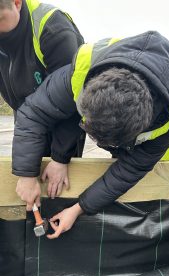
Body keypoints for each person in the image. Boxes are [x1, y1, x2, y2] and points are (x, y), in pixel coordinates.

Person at [12, 31, 169, 238]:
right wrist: (28, 175)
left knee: (149, 194)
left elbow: (130, 169)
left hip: (154, 151)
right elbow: (33, 113)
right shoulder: (84, 66)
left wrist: (79, 208)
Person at [0, 0, 85, 206]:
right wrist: (26, 171)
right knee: (28, 182)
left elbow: (74, 100)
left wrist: (60, 158)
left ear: (17, 3)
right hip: (26, 118)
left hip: (64, 121)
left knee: (59, 187)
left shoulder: (53, 29)